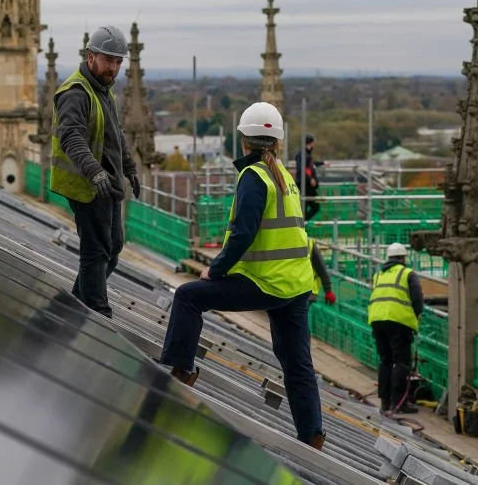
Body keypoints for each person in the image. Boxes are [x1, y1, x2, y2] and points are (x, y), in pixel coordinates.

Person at [160, 102, 326, 450]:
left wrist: (215, 270)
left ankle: (178, 371)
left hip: (267, 281)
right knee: (298, 364)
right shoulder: (284, 175)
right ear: (277, 141)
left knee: (188, 297)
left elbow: (242, 234)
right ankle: (312, 436)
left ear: (243, 141)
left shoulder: (254, 177)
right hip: (296, 284)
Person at [50, 25, 140, 319]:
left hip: (107, 185)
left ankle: (76, 302)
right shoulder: (76, 92)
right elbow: (71, 137)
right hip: (87, 186)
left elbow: (116, 136)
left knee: (112, 247)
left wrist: (129, 168)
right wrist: (95, 172)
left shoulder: (102, 91)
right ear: (91, 58)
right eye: (108, 60)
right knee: (96, 250)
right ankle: (97, 311)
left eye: (118, 62)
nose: (113, 68)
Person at [367, 242, 424, 415]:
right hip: (398, 322)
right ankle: (398, 403)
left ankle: (385, 402)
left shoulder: (379, 275)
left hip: (377, 319)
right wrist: (415, 316)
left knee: (386, 361)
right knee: (402, 362)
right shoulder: (408, 274)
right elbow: (418, 300)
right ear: (403, 258)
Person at [294, 135, 321, 222]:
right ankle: (302, 224)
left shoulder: (305, 154)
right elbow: (302, 168)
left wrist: (322, 163)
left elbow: (309, 166)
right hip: (305, 185)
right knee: (311, 207)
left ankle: (302, 224)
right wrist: (310, 179)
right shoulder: (303, 154)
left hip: (307, 185)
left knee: (308, 207)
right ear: (311, 143)